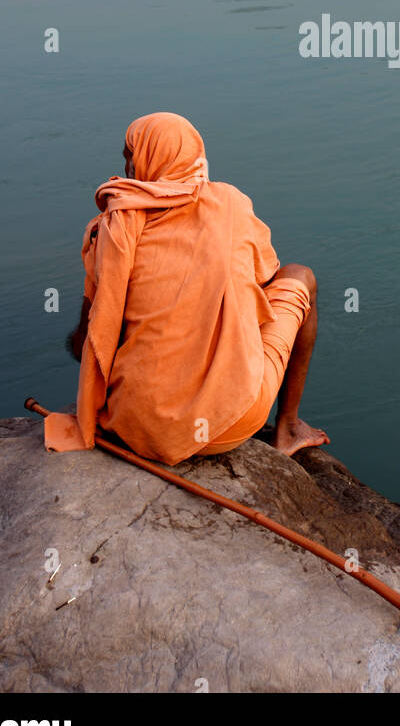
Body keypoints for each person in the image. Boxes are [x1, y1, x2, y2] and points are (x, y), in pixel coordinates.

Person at [44, 111, 328, 464]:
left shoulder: (112, 227)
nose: (128, 168)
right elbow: (264, 284)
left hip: (134, 424)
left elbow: (87, 342)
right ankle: (286, 427)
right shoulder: (232, 206)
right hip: (229, 426)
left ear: (145, 161)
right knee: (300, 276)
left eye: (129, 157)